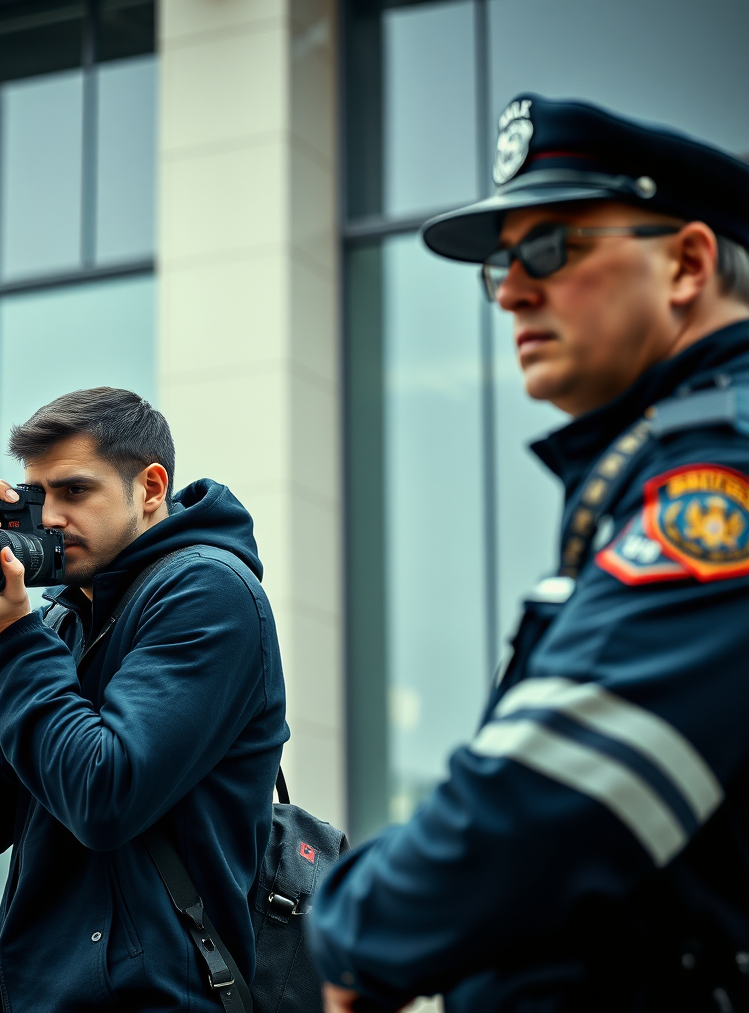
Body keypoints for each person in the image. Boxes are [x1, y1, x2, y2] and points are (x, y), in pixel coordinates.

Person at [308, 94, 749, 1013]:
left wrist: (357, 932)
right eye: (502, 265)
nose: (510, 289)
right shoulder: (661, 457)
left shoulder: (726, 466)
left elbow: (564, 782)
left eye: (551, 249)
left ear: (689, 263)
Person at [0, 387, 288, 1012]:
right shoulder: (55, 627)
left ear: (151, 487)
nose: (51, 517)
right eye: (38, 496)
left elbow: (104, 795)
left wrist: (7, 638)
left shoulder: (208, 591)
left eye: (75, 490)